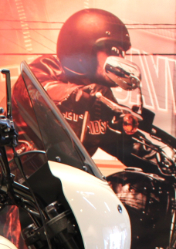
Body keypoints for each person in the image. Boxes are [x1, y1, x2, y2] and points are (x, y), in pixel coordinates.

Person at [28, 8, 147, 167]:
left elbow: (124, 143)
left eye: (121, 53)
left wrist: (165, 161)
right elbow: (37, 92)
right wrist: (79, 94)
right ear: (84, 51)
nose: (120, 58)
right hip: (19, 173)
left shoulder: (102, 97)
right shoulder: (47, 68)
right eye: (113, 50)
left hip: (66, 177)